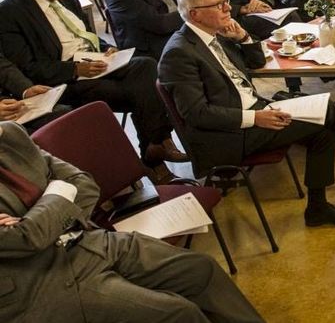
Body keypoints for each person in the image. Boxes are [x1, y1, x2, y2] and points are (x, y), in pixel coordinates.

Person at [157, 0, 335, 228]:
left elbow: (257, 63)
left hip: (253, 111)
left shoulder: (216, 34)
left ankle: (319, 207)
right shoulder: (179, 53)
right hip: (227, 135)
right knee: (325, 112)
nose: (228, 8)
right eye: (219, 5)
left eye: (226, 1)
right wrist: (255, 118)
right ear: (195, 15)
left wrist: (244, 38)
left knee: (323, 128)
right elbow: (197, 114)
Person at [0, 121, 265, 322]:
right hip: (39, 281)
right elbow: (24, 239)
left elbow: (85, 184)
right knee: (178, 313)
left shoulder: (10, 134)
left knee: (201, 270)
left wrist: (40, 216)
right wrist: (58, 191)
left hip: (89, 240)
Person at [0, 0, 184, 168]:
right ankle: (154, 149)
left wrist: (106, 48)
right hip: (63, 78)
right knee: (138, 92)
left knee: (146, 65)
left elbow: (87, 36)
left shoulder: (69, 1)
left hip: (94, 62)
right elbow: (28, 67)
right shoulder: (10, 12)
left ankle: (154, 145)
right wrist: (76, 70)